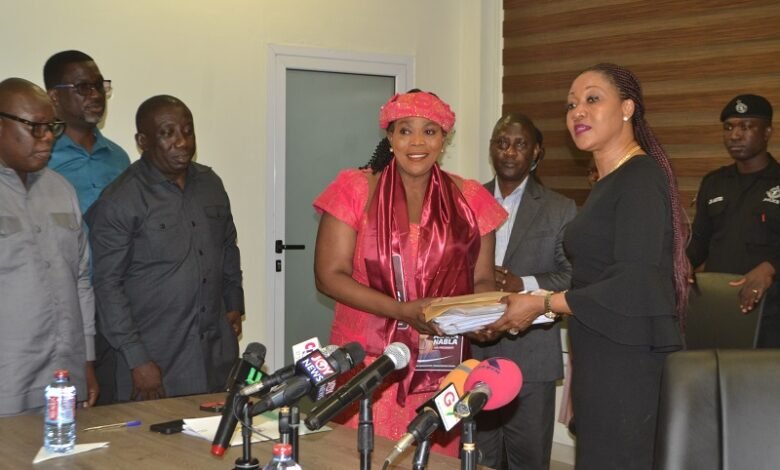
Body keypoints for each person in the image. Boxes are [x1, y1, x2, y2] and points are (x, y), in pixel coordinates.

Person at [483, 64, 690, 469]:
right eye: (572, 104)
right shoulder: (608, 182)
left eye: (593, 99)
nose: (578, 111)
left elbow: (633, 282)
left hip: (628, 361)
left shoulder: (640, 178)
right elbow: (597, 274)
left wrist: (544, 306)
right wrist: (538, 299)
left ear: (627, 108)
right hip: (600, 351)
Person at [313, 90, 507, 455]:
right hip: (369, 364)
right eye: (405, 131)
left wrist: (481, 317)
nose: (417, 142)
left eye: (430, 131)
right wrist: (402, 311)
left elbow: (482, 280)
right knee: (360, 457)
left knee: (437, 460)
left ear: (444, 139)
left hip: (443, 365)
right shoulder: (356, 189)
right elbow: (329, 276)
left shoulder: (470, 198)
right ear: (390, 137)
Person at [86, 95, 243, 402]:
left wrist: (233, 301)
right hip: (155, 356)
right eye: (167, 133)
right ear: (142, 141)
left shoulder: (211, 183)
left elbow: (227, 245)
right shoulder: (121, 199)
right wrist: (137, 359)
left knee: (212, 438)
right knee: (153, 447)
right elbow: (107, 286)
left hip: (213, 350)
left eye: (187, 130)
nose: (182, 142)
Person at [470, 114, 576, 470]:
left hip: (531, 356)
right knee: (476, 459)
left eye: (519, 144)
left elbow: (573, 276)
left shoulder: (560, 208)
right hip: (474, 352)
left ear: (536, 153)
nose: (509, 152)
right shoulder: (466, 202)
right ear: (491, 150)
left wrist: (524, 284)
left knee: (528, 461)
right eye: (501, 143)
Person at [0, 78, 98, 415]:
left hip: (63, 375)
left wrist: (86, 357)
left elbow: (81, 278)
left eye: (51, 127)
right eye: (34, 127)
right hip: (8, 379)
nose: (46, 138)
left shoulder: (62, 190)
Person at [687, 94, 779, 347]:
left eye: (746, 126)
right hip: (718, 308)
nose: (735, 135)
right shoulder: (714, 182)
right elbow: (700, 241)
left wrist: (770, 267)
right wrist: (682, 263)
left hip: (770, 315)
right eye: (729, 127)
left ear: (767, 131)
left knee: (761, 386)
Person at [44, 50, 130, 214]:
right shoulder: (41, 157)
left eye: (99, 86)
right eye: (83, 87)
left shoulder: (119, 158)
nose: (97, 95)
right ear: (54, 96)